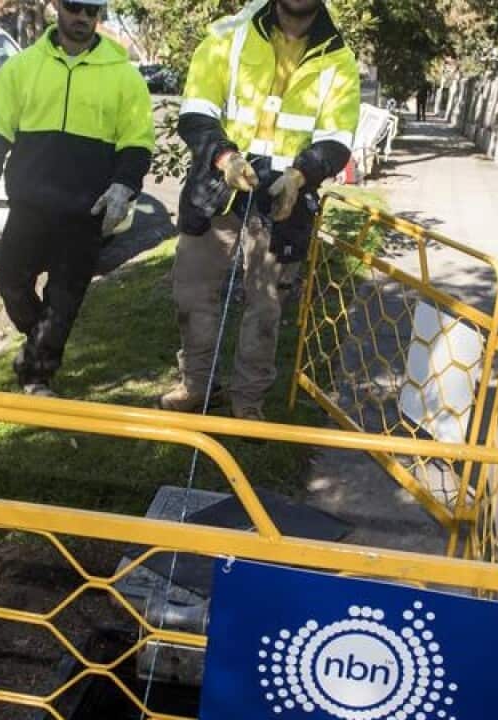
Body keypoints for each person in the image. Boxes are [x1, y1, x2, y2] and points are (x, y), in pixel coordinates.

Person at [159, 0, 359, 421]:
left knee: (265, 307)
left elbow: (337, 141)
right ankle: (197, 385)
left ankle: (247, 402)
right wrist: (226, 159)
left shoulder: (338, 59)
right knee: (191, 293)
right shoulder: (226, 35)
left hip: (283, 197)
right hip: (219, 186)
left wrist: (300, 175)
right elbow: (196, 114)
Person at [0, 0, 155, 397]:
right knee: (10, 283)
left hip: (87, 211)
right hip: (30, 205)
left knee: (64, 300)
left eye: (92, 11)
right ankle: (40, 343)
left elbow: (137, 143)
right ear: (57, 9)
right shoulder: (21, 68)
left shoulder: (124, 77)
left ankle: (36, 375)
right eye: (74, 7)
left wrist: (124, 186)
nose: (82, 17)